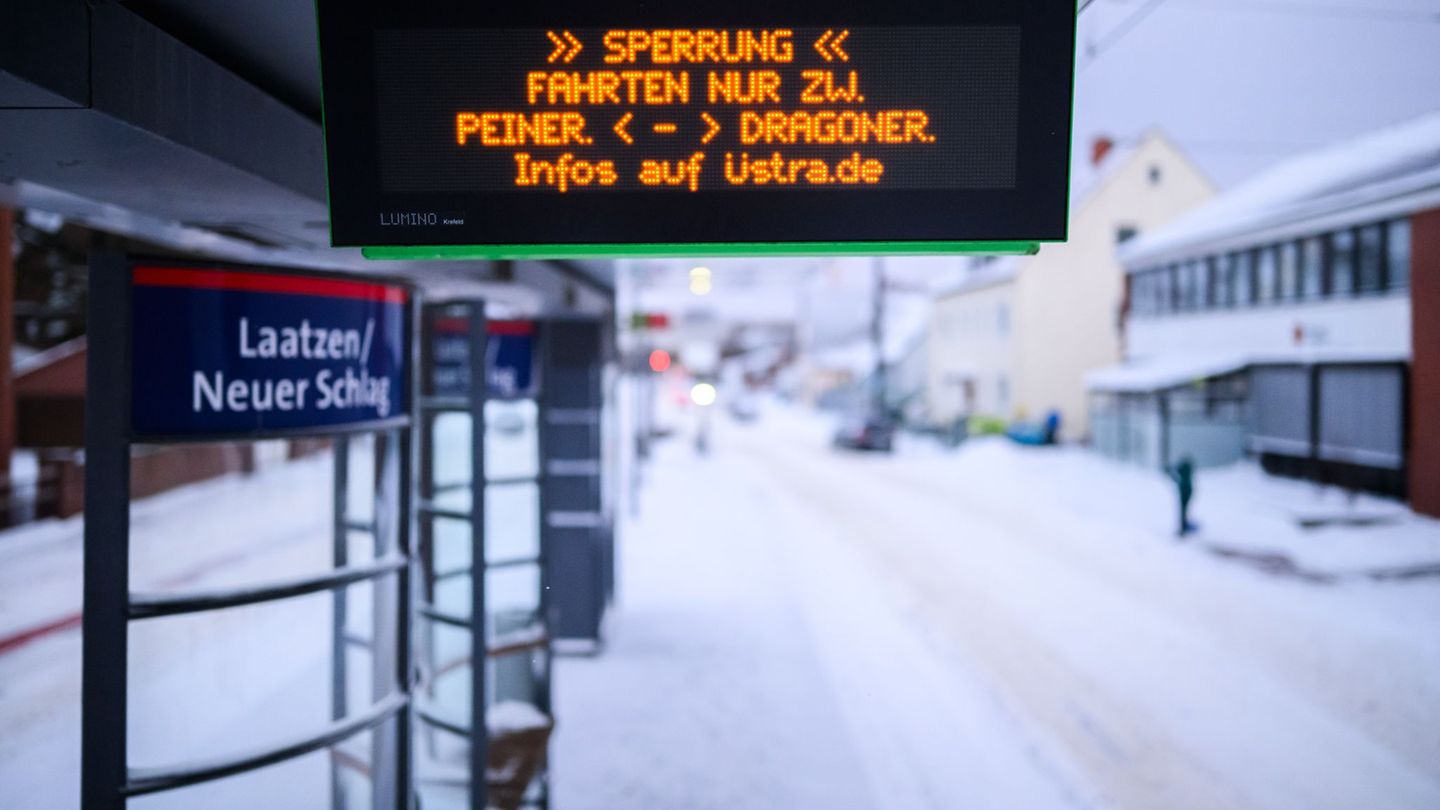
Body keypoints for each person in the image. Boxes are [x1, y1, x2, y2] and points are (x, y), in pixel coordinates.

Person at [1168, 456, 1196, 537]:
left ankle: (1183, 529)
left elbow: (1176, 476)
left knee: (1183, 511)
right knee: (1184, 511)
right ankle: (1184, 527)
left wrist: (1170, 472)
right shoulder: (1188, 470)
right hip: (1188, 492)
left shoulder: (1183, 470)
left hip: (1184, 493)